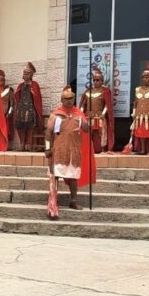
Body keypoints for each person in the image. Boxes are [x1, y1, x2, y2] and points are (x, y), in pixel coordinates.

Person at [45, 88, 96, 220]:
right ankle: (53, 202)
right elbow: (48, 134)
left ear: (74, 99)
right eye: (66, 99)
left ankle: (73, 200)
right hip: (58, 151)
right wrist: (47, 149)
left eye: (71, 99)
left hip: (74, 152)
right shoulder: (55, 115)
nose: (69, 101)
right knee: (55, 176)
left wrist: (88, 121)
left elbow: (87, 130)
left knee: (73, 178)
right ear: (62, 100)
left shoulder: (79, 114)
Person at [79, 70, 115, 154]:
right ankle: (89, 148)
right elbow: (83, 104)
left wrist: (103, 113)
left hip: (100, 116)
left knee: (102, 133)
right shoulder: (88, 91)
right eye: (94, 80)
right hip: (88, 116)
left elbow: (107, 104)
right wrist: (81, 113)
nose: (95, 82)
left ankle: (103, 149)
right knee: (88, 132)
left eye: (98, 80)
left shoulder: (105, 91)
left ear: (102, 80)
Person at [13, 63, 43, 151]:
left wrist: (33, 93)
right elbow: (17, 96)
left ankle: (29, 145)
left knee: (30, 128)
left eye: (26, 74)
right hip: (21, 109)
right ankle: (22, 144)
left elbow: (37, 98)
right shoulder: (21, 85)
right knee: (21, 127)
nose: (24, 75)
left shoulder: (34, 85)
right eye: (24, 73)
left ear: (31, 75)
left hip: (30, 110)